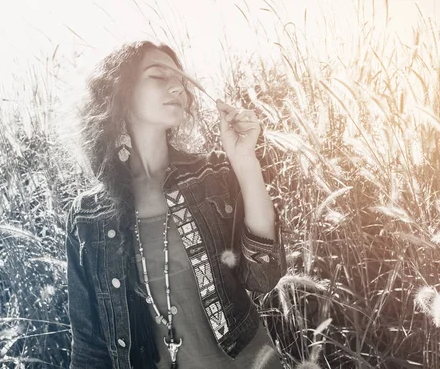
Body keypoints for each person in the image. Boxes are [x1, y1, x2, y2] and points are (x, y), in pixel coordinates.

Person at [65, 40, 287, 369]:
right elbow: (89, 346)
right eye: (158, 76)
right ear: (120, 93)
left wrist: (244, 162)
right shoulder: (89, 215)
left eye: (181, 79)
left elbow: (264, 276)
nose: (177, 86)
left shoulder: (209, 177)